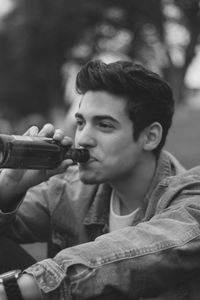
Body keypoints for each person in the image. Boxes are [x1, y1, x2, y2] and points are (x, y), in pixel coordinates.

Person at [0, 59, 200, 300]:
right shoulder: (68, 188)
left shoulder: (190, 198)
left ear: (150, 137)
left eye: (104, 125)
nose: (82, 138)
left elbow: (137, 256)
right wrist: (9, 187)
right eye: (81, 122)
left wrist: (17, 289)